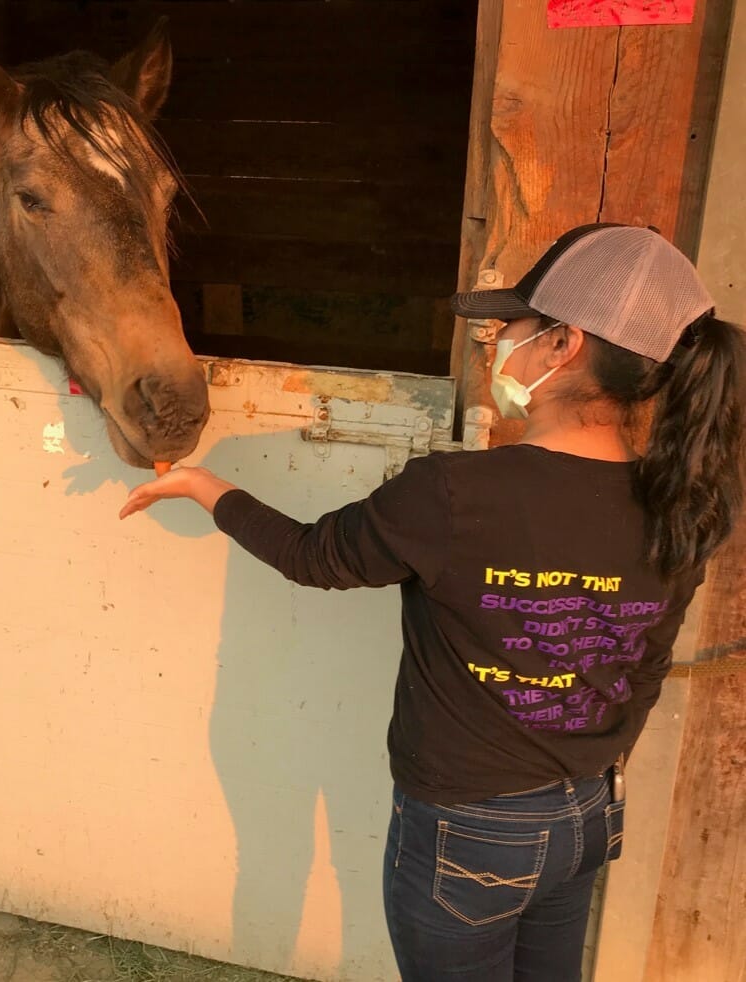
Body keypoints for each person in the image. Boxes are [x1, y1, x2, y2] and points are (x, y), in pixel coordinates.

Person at [119, 223, 746, 981]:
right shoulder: (681, 500)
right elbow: (642, 665)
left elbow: (312, 557)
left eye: (507, 324)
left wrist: (204, 485)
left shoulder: (453, 494)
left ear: (561, 346)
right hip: (584, 813)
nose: (492, 343)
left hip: (470, 831)